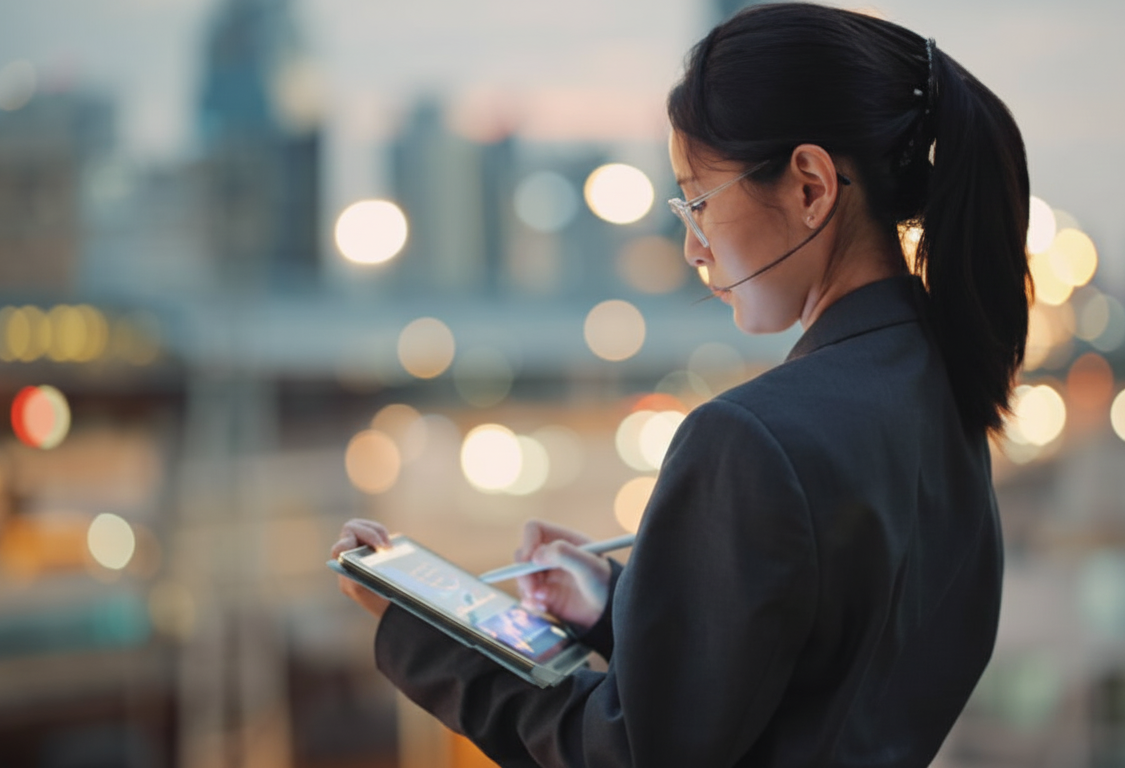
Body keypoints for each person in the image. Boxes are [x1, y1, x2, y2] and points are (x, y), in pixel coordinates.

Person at [331, 3, 1031, 766]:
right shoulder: (944, 388)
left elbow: (625, 755)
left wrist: (423, 638)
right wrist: (619, 603)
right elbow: (821, 667)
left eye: (698, 200)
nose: (693, 246)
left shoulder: (750, 440)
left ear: (810, 187)